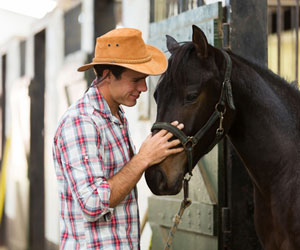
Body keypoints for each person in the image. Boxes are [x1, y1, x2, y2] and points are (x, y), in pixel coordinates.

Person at [52, 27, 184, 250]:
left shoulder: (115, 117)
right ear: (107, 75)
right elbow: (92, 203)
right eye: (136, 80)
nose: (143, 87)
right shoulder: (81, 122)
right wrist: (142, 159)